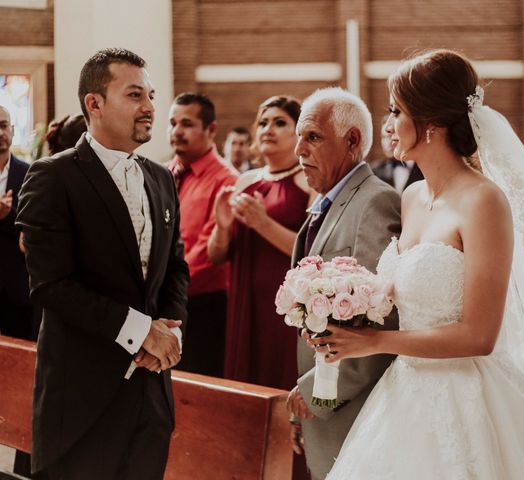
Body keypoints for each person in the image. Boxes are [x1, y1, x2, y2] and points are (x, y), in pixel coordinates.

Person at [309, 50, 524, 479]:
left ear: (430, 124)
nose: (387, 124)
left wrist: (373, 343)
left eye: (395, 110)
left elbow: (479, 335)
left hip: (463, 395)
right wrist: (340, 306)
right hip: (403, 395)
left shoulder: (484, 202)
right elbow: (402, 291)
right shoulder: (411, 198)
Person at [16, 48, 189, 480]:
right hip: (80, 402)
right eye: (134, 95)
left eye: (151, 94)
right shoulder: (53, 176)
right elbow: (51, 286)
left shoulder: (161, 177)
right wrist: (140, 331)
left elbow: (175, 268)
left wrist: (170, 330)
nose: (150, 107)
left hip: (151, 399)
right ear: (94, 103)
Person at [285, 87, 401, 480]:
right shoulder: (324, 205)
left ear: (352, 141)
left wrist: (318, 396)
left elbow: (381, 321)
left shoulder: (374, 202)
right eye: (299, 137)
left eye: (312, 137)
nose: (298, 149)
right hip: (324, 408)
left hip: (352, 411)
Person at [208, 95, 313, 390]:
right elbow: (216, 256)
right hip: (245, 302)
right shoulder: (244, 182)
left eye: (280, 123)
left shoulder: (309, 181)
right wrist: (222, 227)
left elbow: (311, 252)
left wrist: (262, 224)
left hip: (284, 307)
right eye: (263, 122)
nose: (268, 129)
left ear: (299, 132)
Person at [167, 93, 237, 377]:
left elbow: (208, 255)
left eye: (186, 124)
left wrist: (165, 291)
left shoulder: (226, 180)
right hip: (168, 301)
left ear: (210, 130)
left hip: (203, 307)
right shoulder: (165, 173)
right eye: (172, 123)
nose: (176, 132)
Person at [0, 105, 32, 341]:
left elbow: (34, 228)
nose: (0, 133)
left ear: (11, 129)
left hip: (17, 286)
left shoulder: (30, 173)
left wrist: (9, 214)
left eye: (3, 126)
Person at [372, 114, 422, 191]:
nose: (387, 142)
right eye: (384, 137)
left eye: (391, 136)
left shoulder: (423, 169)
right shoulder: (374, 171)